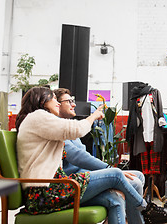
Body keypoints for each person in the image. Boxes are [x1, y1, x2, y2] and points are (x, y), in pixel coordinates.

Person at [15, 86, 167, 224]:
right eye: (54, 99)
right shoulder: (38, 117)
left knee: (115, 199)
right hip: (45, 192)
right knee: (116, 173)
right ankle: (147, 210)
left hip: (55, 188)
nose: (58, 104)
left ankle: (147, 212)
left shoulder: (42, 122)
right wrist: (93, 116)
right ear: (42, 101)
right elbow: (77, 136)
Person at [54, 87, 145, 223]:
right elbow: (77, 156)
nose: (74, 104)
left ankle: (138, 217)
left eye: (73, 100)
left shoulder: (70, 125)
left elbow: (81, 154)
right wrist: (108, 169)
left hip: (85, 176)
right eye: (69, 101)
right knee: (133, 183)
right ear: (57, 104)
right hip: (72, 181)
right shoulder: (55, 129)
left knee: (139, 176)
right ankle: (146, 211)